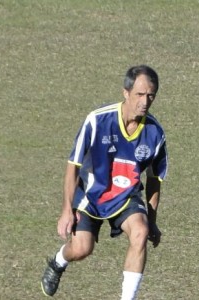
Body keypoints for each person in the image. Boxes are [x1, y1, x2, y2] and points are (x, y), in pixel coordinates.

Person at [41, 65, 168, 300]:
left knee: (140, 232)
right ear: (126, 92)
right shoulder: (97, 121)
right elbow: (73, 166)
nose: (145, 101)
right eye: (140, 94)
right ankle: (59, 262)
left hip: (125, 197)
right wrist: (66, 210)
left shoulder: (155, 133)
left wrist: (152, 221)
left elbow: (154, 179)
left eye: (151, 95)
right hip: (90, 196)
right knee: (81, 249)